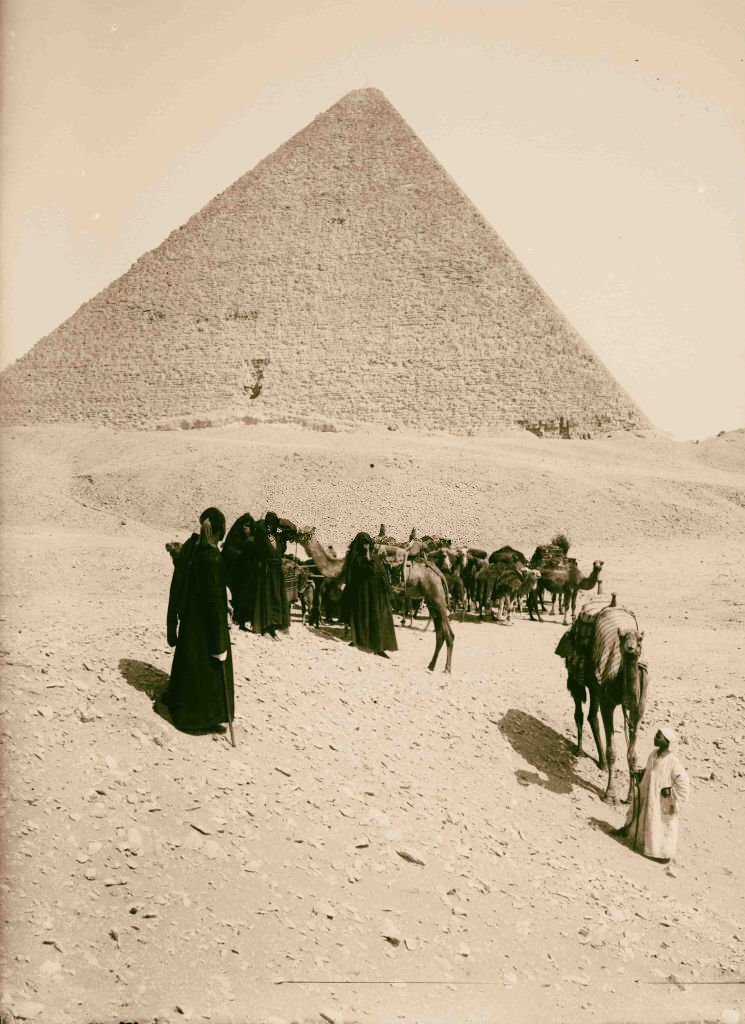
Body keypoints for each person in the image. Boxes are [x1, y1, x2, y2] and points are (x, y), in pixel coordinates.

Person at [164, 507, 235, 732]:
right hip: (206, 628)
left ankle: (184, 709)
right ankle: (203, 717)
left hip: (191, 623)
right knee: (209, 668)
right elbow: (213, 604)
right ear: (220, 529)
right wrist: (218, 644)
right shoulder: (213, 558)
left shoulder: (195, 552)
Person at [617, 725, 690, 873]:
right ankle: (637, 841)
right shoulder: (653, 754)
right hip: (647, 794)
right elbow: (650, 772)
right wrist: (640, 774)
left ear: (667, 741)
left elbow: (683, 783)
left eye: (659, 736)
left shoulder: (673, 762)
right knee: (642, 816)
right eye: (656, 734)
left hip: (661, 801)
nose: (655, 737)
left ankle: (661, 854)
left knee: (660, 824)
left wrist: (670, 794)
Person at [342, 531, 398, 658]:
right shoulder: (356, 558)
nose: (367, 546)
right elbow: (368, 570)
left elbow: (380, 571)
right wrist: (368, 556)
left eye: (368, 543)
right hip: (363, 593)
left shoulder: (373, 557)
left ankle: (379, 645)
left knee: (378, 617)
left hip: (376, 593)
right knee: (364, 616)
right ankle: (361, 641)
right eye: (364, 544)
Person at [251, 511, 298, 638]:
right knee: (266, 599)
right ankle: (266, 628)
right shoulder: (261, 536)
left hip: (277, 572)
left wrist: (281, 523)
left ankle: (274, 627)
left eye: (271, 523)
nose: (269, 526)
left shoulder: (278, 537)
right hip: (266, 572)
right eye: (268, 523)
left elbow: (291, 530)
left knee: (276, 598)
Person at [222, 513, 257, 630]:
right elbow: (229, 553)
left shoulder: (251, 540)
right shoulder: (233, 539)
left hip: (245, 575)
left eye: (249, 526)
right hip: (232, 574)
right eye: (245, 526)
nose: (247, 529)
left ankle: (243, 620)